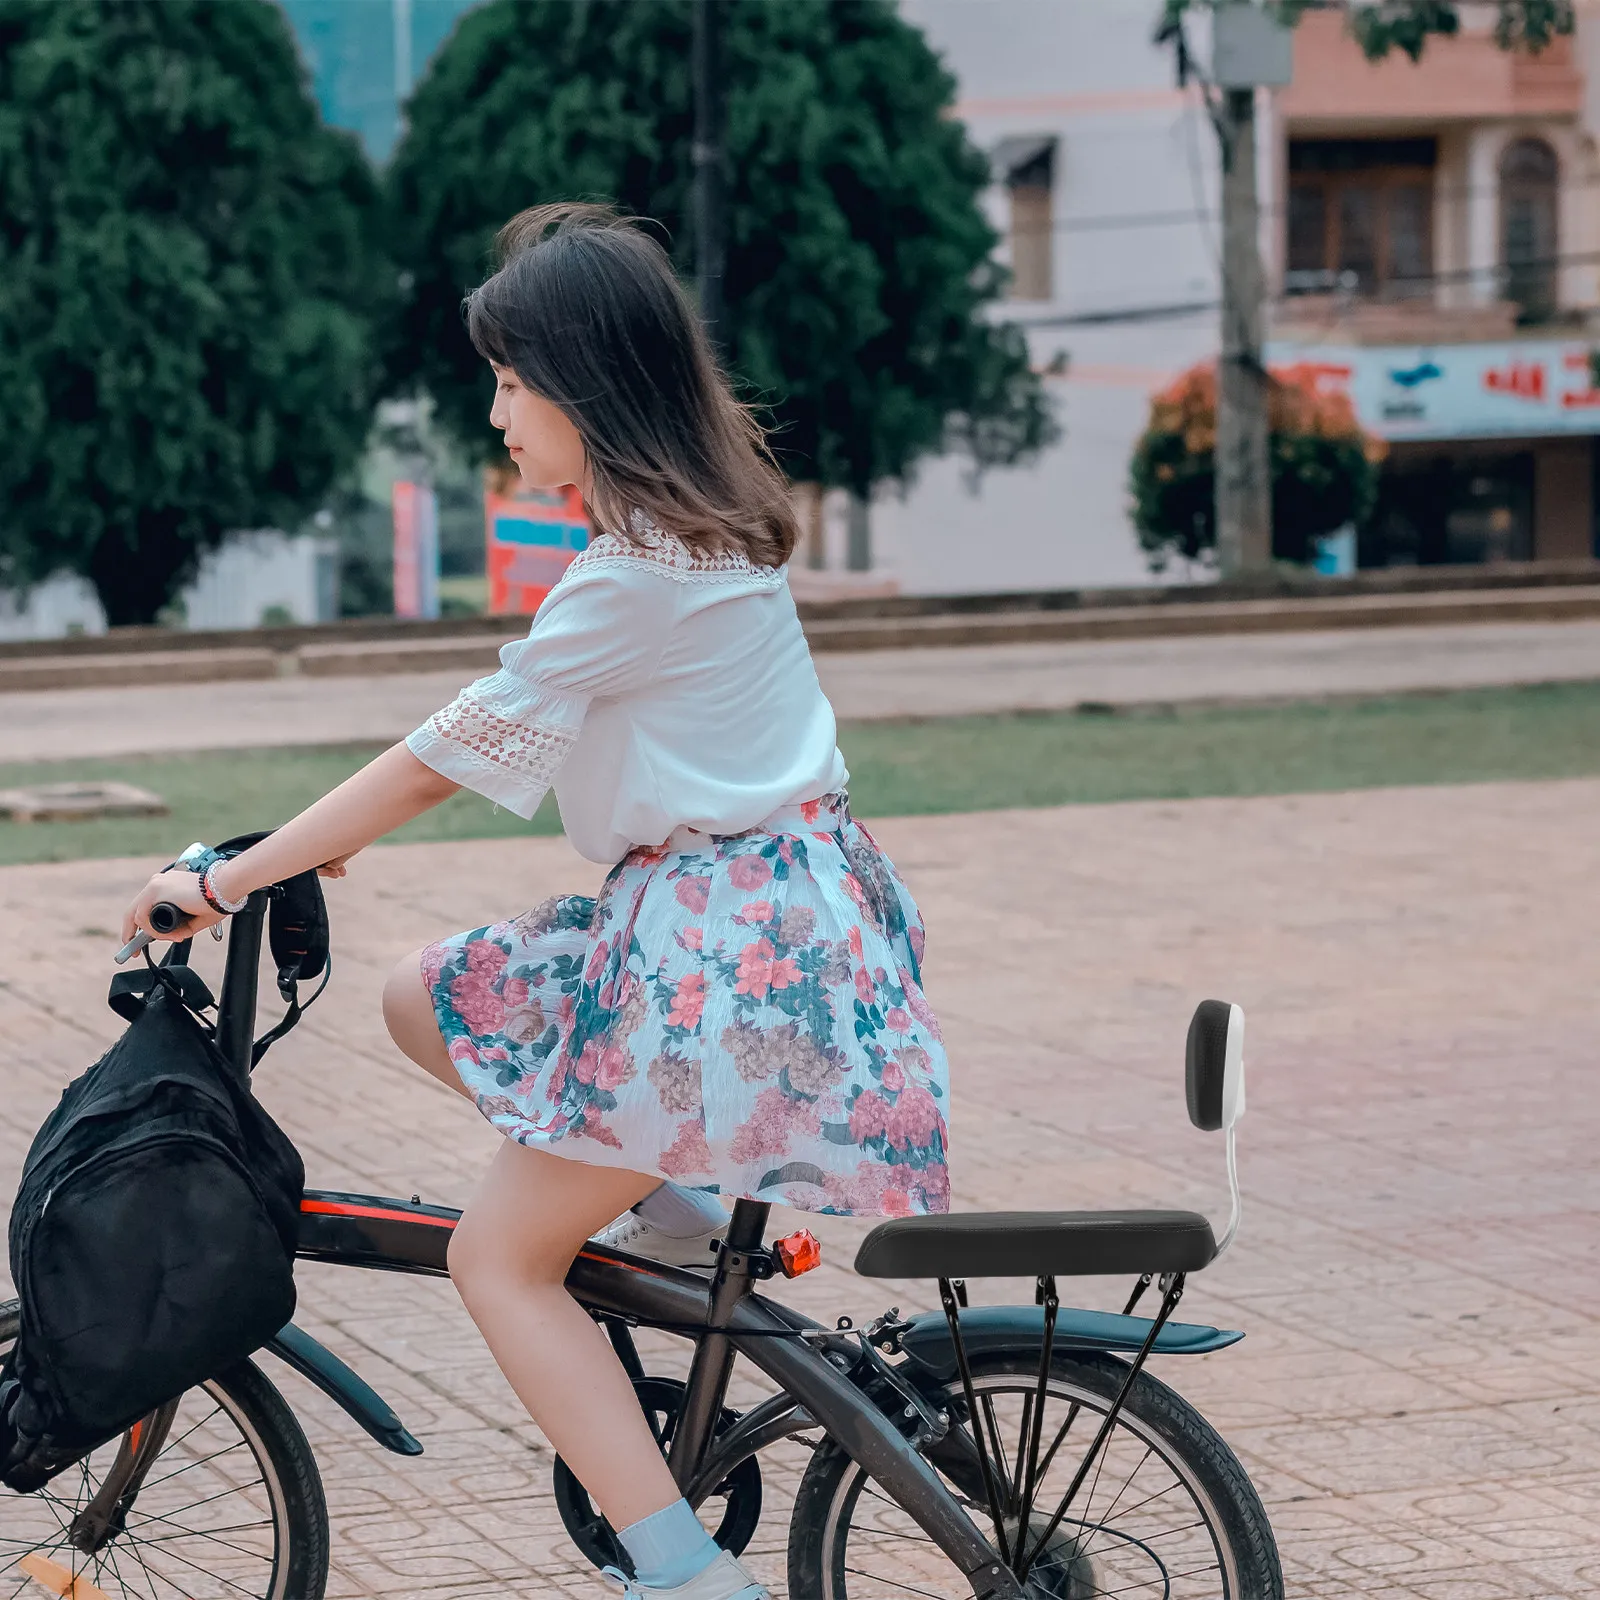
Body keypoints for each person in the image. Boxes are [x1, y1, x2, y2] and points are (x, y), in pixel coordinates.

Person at [121, 203, 951, 1600]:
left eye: (513, 380)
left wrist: (231, 878)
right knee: (421, 993)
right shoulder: (697, 536)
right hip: (751, 928)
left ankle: (686, 1574)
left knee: (501, 1262)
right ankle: (677, 1202)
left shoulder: (636, 575)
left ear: (591, 386)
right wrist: (311, 853)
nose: (496, 411)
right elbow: (478, 742)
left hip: (723, 954)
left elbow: (447, 750)